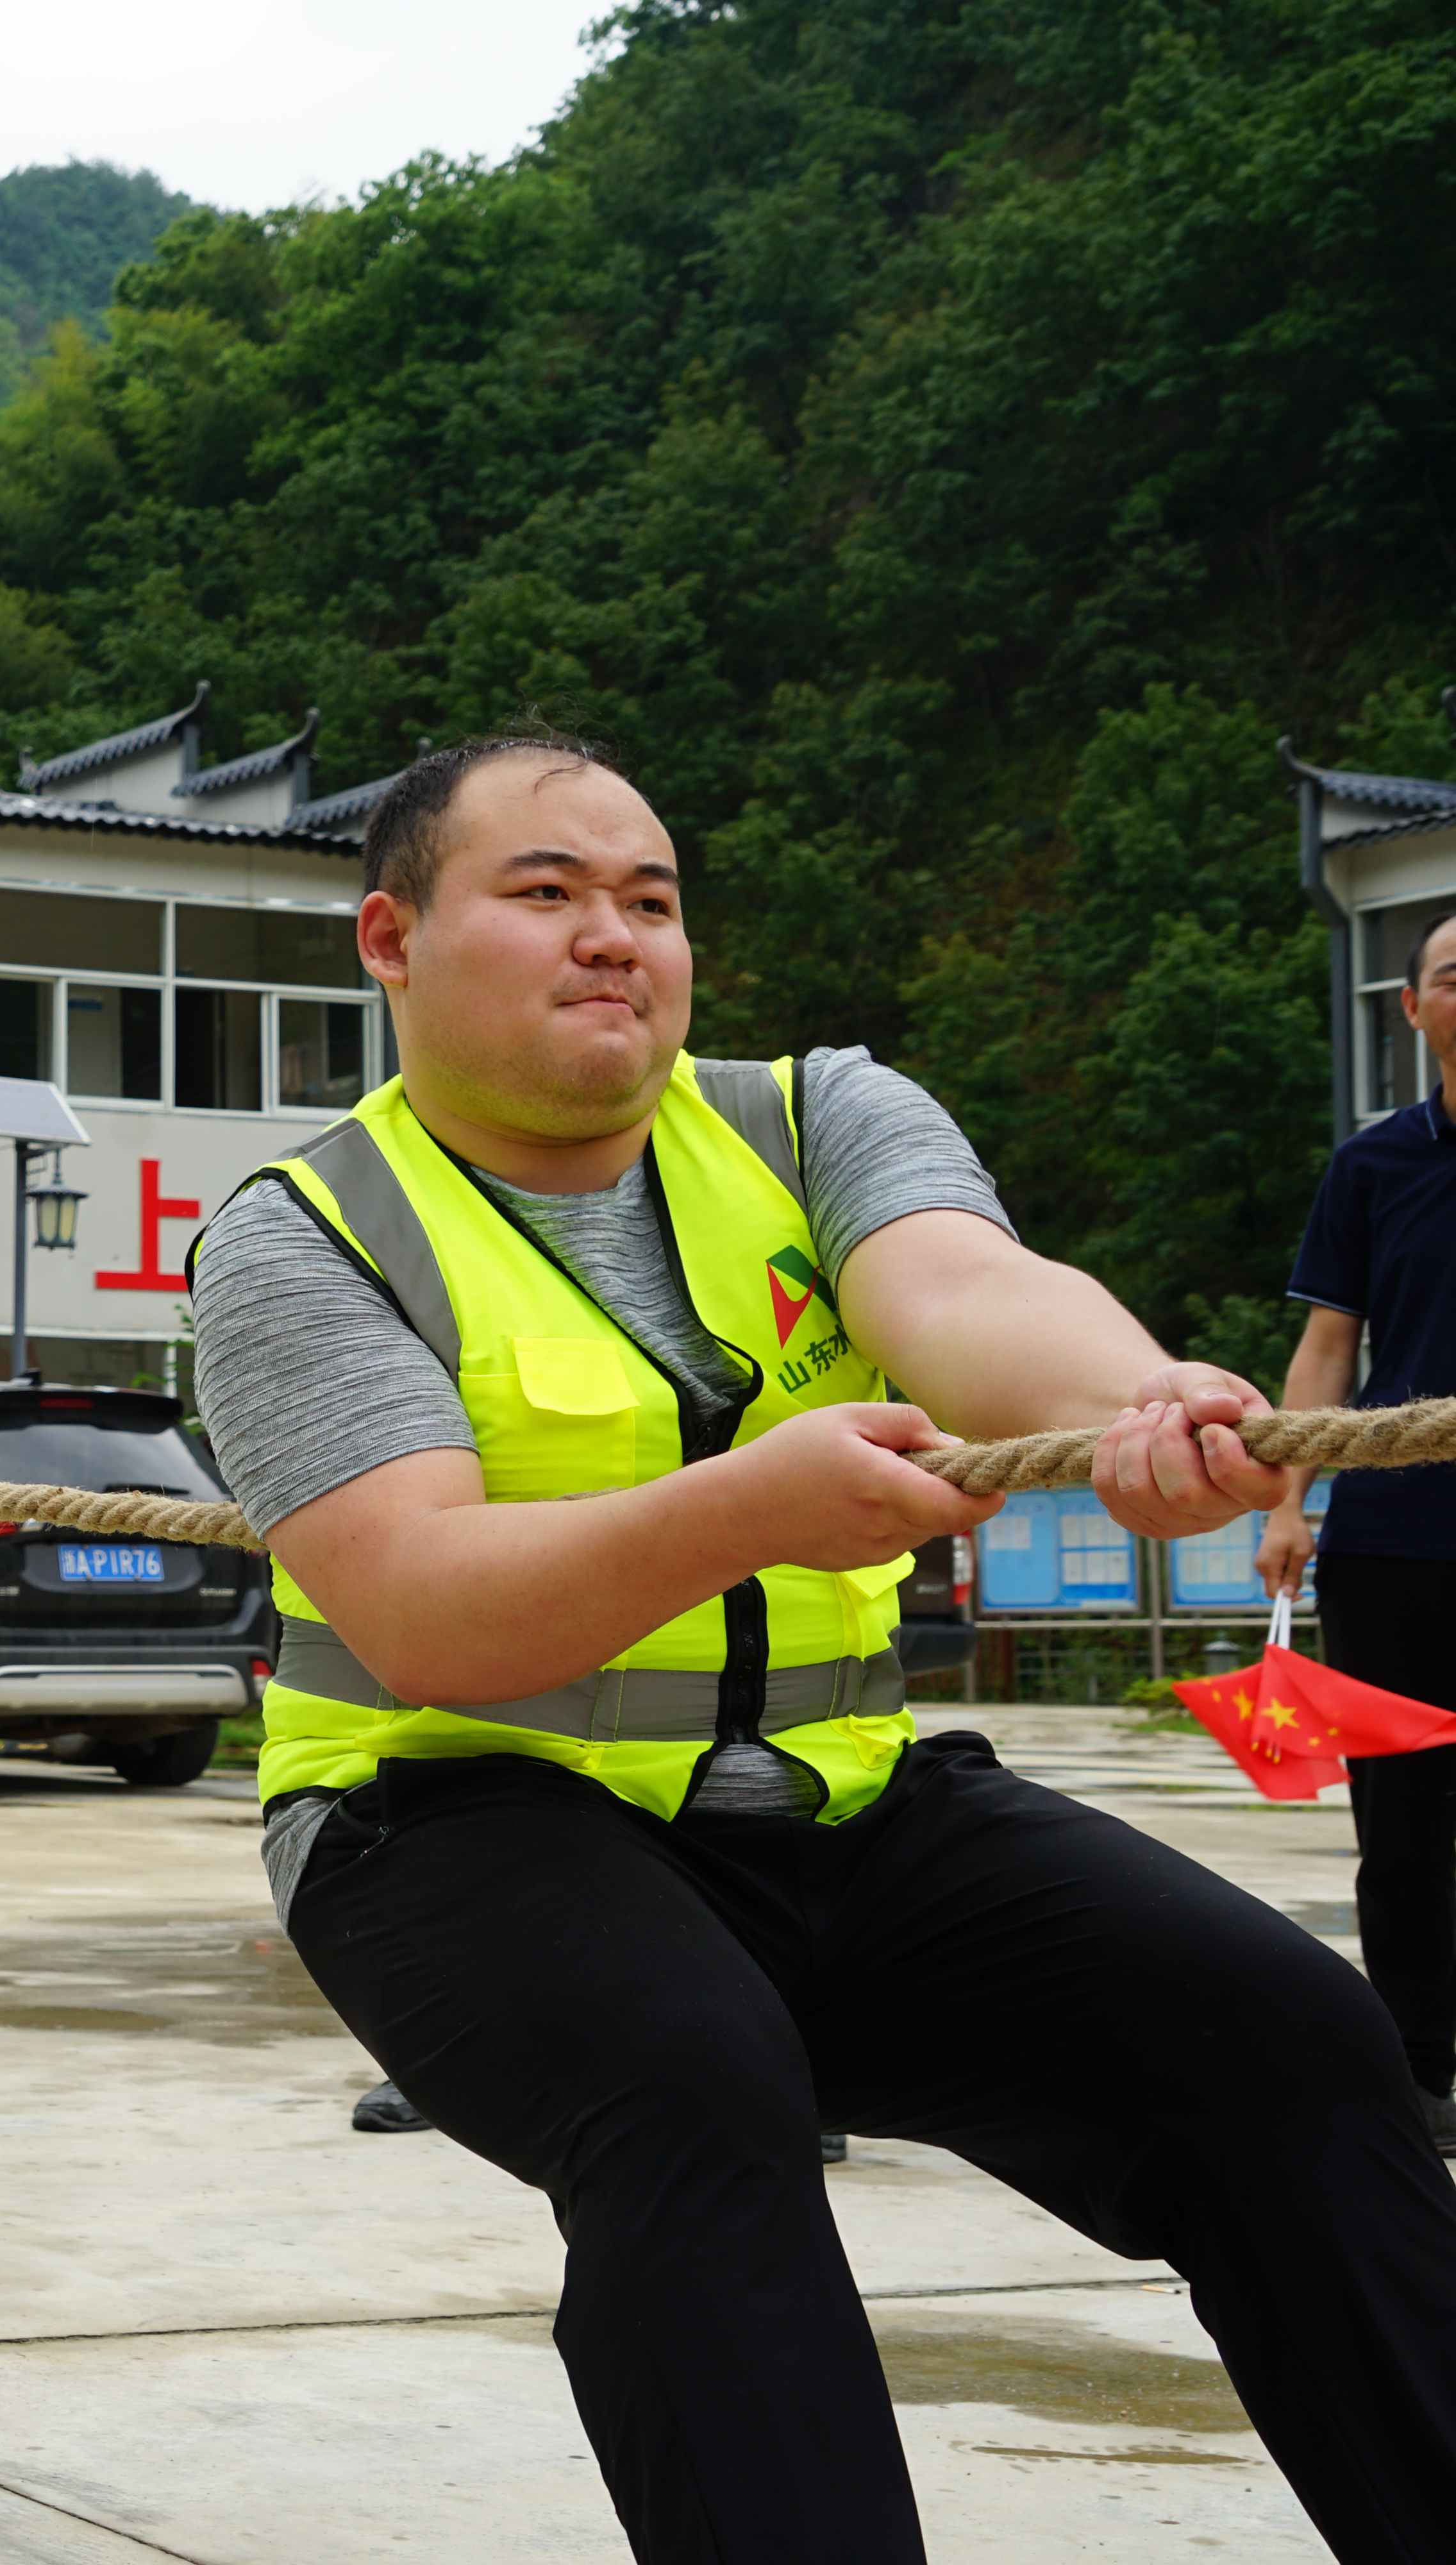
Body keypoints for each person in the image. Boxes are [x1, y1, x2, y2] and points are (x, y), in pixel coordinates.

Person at [185, 730, 1456, 2565]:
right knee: (694, 2091)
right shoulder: (304, 1242)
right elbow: (421, 1608)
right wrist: (746, 1508)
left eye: (652, 901)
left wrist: (1143, 1402)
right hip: (450, 1823)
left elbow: (966, 1293)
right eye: (544, 893)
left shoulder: (816, 1116)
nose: (613, 935)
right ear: (391, 937)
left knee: (1294, 2042)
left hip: (852, 1811)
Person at [1265, 905, 1456, 2155]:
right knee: (1403, 1823)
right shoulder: (1374, 1165)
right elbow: (1328, 1346)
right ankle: (1420, 2068)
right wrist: (1288, 1499)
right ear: (1415, 1004)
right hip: (1391, 1542)